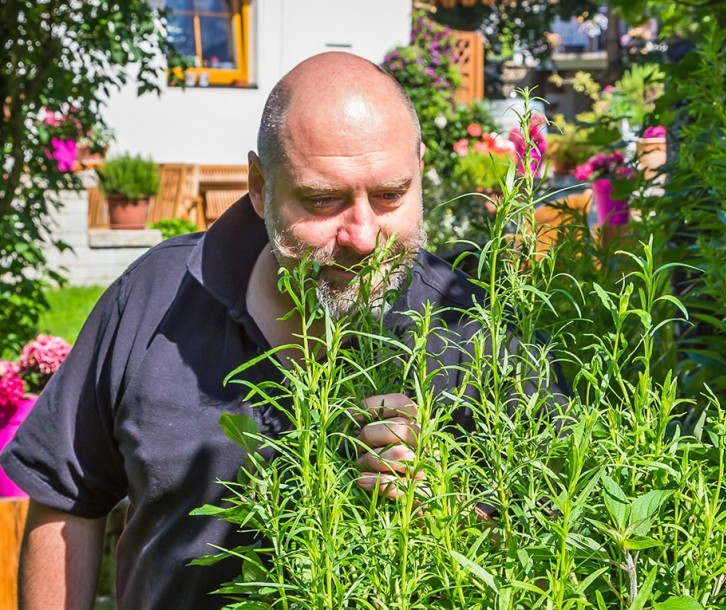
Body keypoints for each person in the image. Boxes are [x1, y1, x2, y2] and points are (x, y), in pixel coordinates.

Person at [0, 52, 505, 610]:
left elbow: (554, 541)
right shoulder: (154, 296)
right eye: (323, 200)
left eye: (390, 195)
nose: (363, 235)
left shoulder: (473, 328)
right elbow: (67, 495)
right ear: (260, 186)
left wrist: (451, 508)